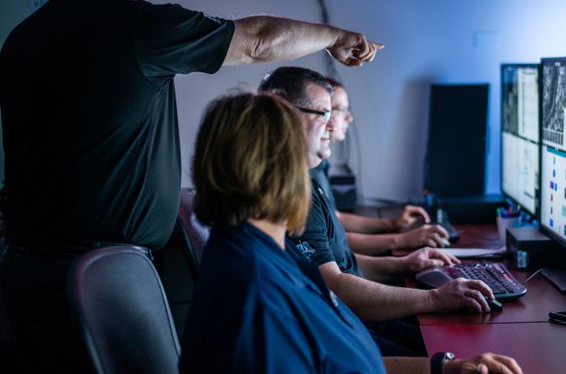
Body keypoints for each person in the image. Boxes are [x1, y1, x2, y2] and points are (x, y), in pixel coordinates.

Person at [0, 0, 381, 372]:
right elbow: (258, 41)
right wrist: (336, 38)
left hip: (24, 270)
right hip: (102, 272)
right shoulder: (136, 26)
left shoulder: (21, 37)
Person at [180, 91, 522, 374]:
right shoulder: (255, 295)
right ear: (278, 176)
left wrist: (443, 368)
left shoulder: (268, 251)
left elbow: (343, 363)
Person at [259, 68, 497, 326]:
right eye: (324, 113)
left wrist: (403, 264)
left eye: (333, 113)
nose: (334, 123)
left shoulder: (308, 180)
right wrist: (434, 298)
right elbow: (336, 286)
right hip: (346, 326)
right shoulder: (290, 194)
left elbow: (340, 261)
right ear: (285, 115)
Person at [318, 77, 451, 254]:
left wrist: (392, 224)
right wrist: (402, 239)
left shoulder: (319, 166)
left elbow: (336, 219)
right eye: (341, 109)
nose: (349, 117)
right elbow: (332, 240)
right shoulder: (308, 171)